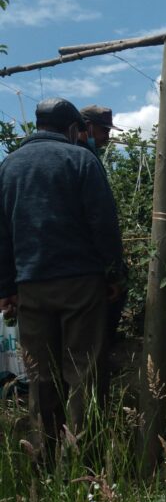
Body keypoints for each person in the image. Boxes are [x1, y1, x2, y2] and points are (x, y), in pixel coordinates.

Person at [0, 98, 125, 454]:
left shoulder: (8, 166)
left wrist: (6, 287)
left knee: (41, 374)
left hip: (31, 285)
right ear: (72, 129)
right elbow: (103, 223)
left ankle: (44, 454)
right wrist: (114, 272)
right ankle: (84, 459)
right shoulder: (81, 160)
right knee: (83, 370)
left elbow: (2, 234)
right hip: (80, 282)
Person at [79, 104, 127, 344]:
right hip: (82, 260)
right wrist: (113, 271)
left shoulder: (87, 155)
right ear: (87, 127)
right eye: (104, 131)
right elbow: (100, 218)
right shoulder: (82, 158)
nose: (107, 137)